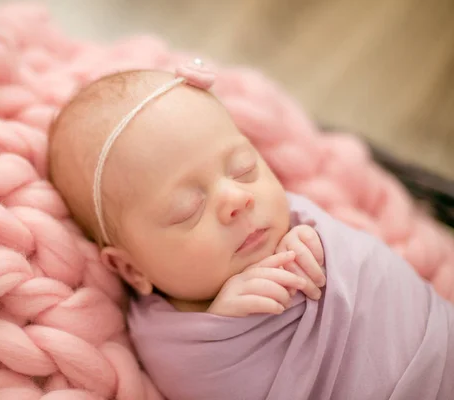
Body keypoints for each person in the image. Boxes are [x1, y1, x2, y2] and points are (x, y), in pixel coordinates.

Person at [48, 60, 454, 399]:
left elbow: (365, 265)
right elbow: (196, 382)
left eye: (243, 167)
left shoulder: (297, 219)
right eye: (187, 209)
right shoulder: (167, 338)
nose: (235, 198)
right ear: (132, 269)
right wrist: (226, 324)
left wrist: (319, 242)